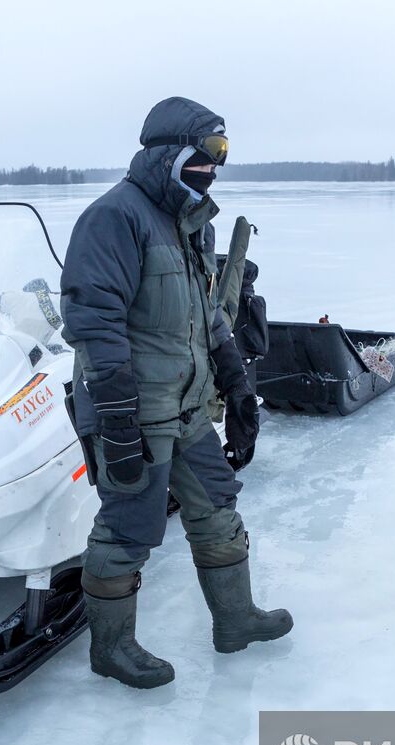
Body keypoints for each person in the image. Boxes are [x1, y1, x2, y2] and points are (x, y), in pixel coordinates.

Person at [59, 97, 293, 688]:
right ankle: (111, 650)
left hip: (187, 407)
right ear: (172, 154)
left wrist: (237, 387)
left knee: (217, 508)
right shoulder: (114, 218)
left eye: (222, 156)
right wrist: (115, 418)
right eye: (208, 154)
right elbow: (93, 323)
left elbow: (209, 314)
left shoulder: (190, 222)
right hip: (133, 412)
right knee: (128, 527)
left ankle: (235, 620)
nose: (214, 168)